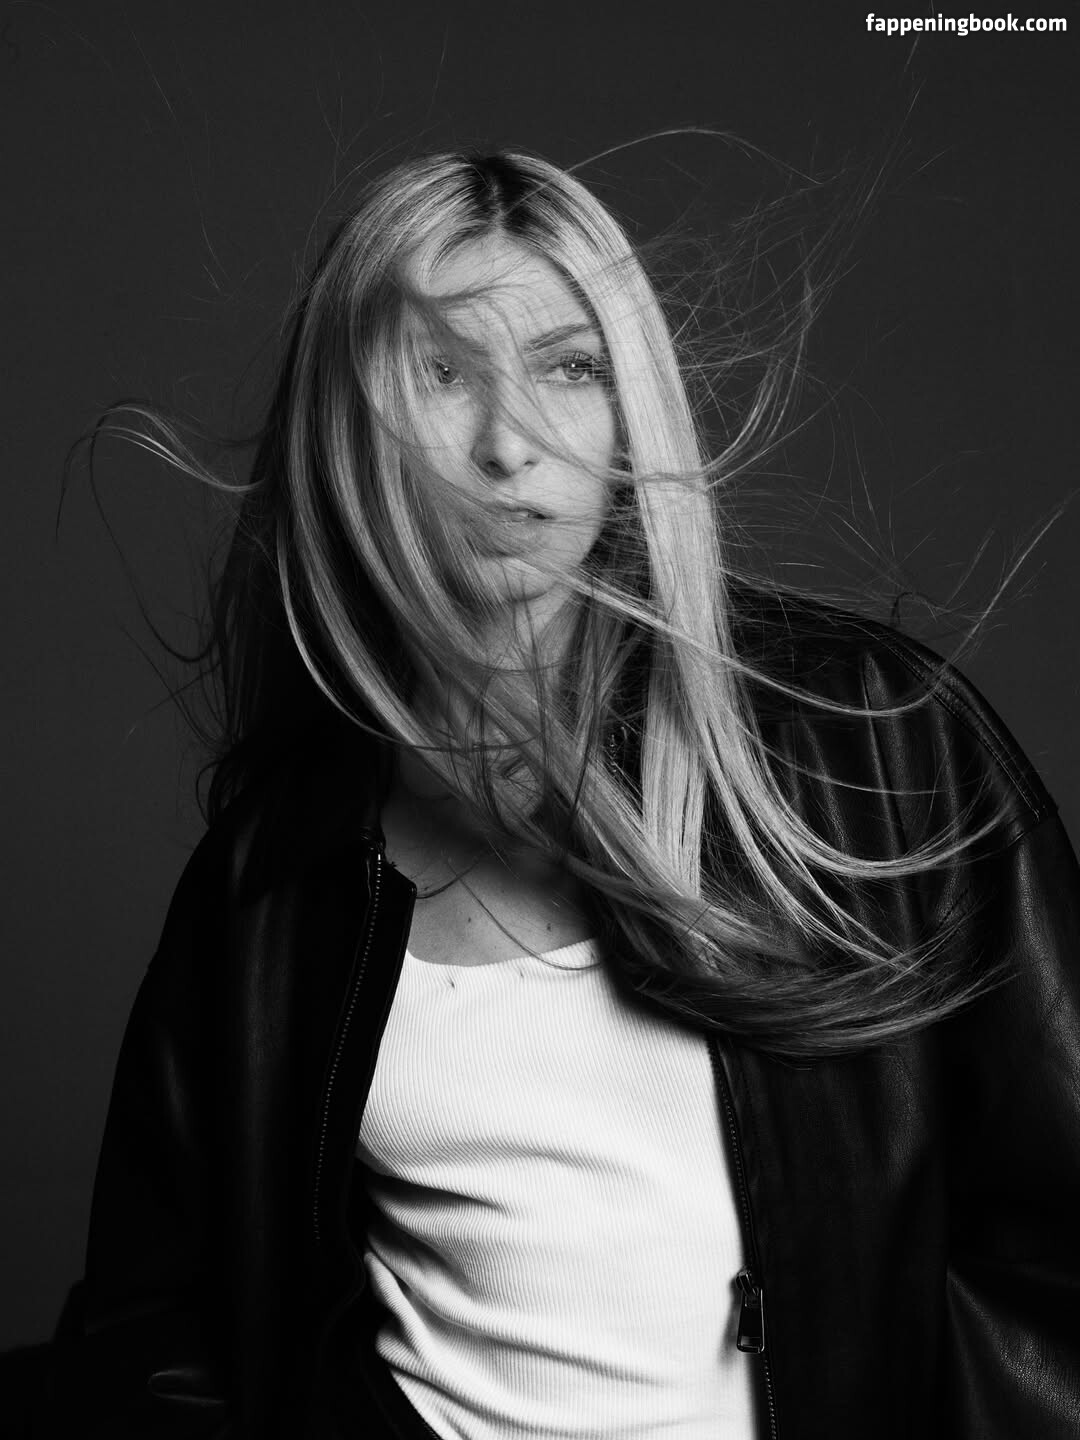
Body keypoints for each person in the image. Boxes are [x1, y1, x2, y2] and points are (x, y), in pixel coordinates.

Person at [39, 150, 1080, 1439]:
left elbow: (1056, 1261)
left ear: (632, 413)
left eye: (570, 367)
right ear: (347, 428)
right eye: (439, 372)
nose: (509, 443)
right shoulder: (270, 891)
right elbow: (155, 1342)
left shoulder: (874, 746)